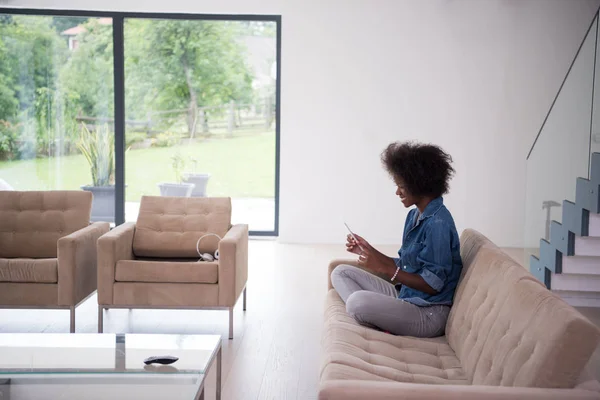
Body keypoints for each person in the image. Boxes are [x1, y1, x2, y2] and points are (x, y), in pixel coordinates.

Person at [331, 141, 463, 338]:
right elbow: (406, 266)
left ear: (420, 183)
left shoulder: (438, 224)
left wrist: (388, 269)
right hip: (407, 296)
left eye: (401, 186)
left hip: (428, 312)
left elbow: (433, 285)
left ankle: (375, 318)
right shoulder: (414, 216)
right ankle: (379, 319)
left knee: (356, 302)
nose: (397, 192)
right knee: (340, 273)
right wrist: (369, 251)